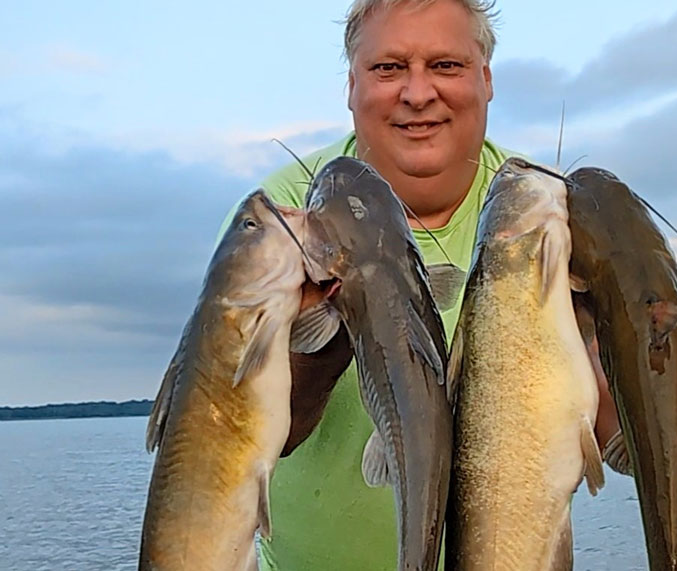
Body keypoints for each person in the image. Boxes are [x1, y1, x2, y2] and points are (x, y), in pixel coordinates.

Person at [218, 1, 621, 569]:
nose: (417, 92)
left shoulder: (539, 209)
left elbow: (608, 436)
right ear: (351, 85)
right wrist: (332, 326)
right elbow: (234, 435)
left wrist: (604, 339)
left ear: (486, 78)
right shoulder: (282, 214)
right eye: (388, 68)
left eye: (446, 65)